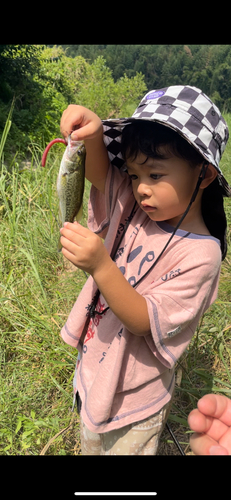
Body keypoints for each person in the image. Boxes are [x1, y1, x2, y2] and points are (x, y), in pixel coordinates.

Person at [59, 85, 231, 455]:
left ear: (203, 175)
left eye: (154, 175)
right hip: (98, 365)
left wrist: (100, 265)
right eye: (135, 176)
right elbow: (102, 172)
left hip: (135, 398)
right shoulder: (137, 205)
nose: (140, 190)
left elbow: (142, 320)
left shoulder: (201, 256)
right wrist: (90, 130)